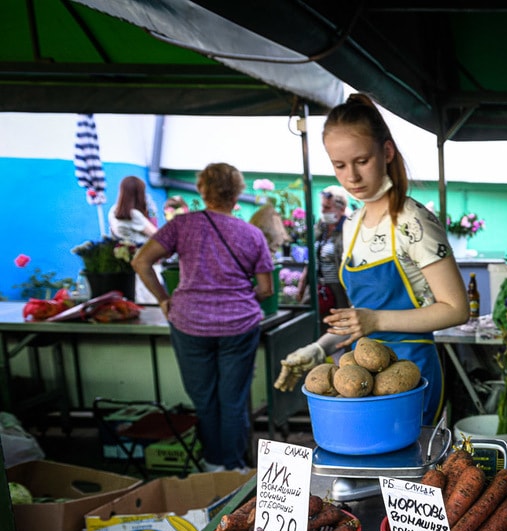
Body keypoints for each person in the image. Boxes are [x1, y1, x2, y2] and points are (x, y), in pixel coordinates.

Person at [274, 93, 468, 425]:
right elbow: (358, 320)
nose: (351, 176)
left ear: (387, 152)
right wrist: (318, 349)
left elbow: (456, 309)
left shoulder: (413, 222)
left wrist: (376, 321)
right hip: (362, 381)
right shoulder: (351, 226)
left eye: (362, 160)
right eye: (339, 165)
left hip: (412, 375)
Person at [131, 162, 274, 471]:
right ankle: (234, 468)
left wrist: (164, 300)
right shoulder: (251, 234)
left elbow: (141, 262)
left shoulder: (181, 226)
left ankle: (212, 465)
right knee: (233, 401)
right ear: (238, 193)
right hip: (238, 326)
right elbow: (265, 288)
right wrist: (240, 297)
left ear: (201, 190)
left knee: (206, 401)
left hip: (190, 324)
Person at [297, 185, 351, 316]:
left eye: (327, 207)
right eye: (322, 206)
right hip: (317, 287)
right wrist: (302, 284)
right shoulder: (320, 228)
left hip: (338, 290)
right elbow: (311, 259)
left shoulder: (348, 230)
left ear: (342, 209)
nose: (323, 211)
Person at [109, 176, 158, 245]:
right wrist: (153, 212)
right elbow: (158, 236)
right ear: (139, 194)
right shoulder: (134, 215)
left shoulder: (113, 211)